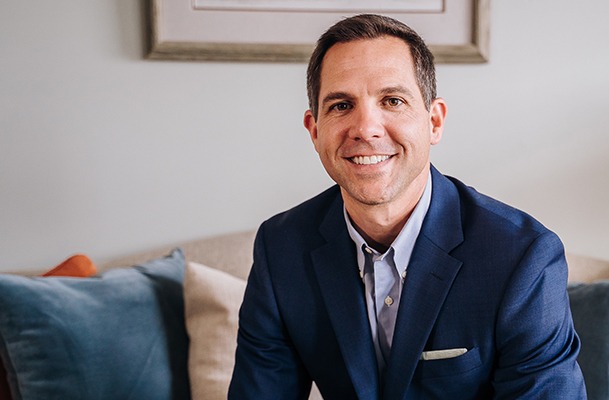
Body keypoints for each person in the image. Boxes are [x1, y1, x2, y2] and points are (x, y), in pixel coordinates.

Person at [229, 14, 586, 400]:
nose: (365, 128)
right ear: (315, 131)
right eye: (342, 105)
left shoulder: (522, 257)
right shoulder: (281, 248)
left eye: (392, 101)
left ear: (434, 122)